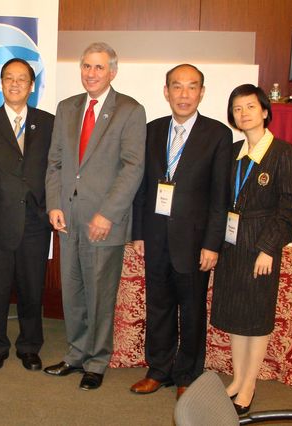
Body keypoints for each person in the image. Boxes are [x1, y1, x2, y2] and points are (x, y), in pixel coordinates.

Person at [44, 42, 146, 390]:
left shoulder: (130, 110)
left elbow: (132, 169)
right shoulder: (67, 107)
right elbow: (55, 162)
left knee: (100, 295)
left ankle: (97, 362)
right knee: (71, 292)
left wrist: (107, 213)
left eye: (99, 67)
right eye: (86, 66)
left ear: (112, 72)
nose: (91, 73)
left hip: (104, 221)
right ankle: (75, 354)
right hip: (68, 219)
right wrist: (54, 204)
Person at [129, 64, 232, 399]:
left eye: (191, 87)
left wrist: (212, 243)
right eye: (177, 87)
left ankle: (187, 374)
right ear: (166, 91)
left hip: (194, 241)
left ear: (201, 92)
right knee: (158, 306)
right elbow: (143, 186)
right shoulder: (153, 129)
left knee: (191, 310)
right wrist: (139, 233)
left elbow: (220, 196)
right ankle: (159, 370)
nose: (184, 94)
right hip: (157, 237)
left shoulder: (217, 134)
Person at [211, 84, 292, 415]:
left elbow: (288, 206)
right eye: (237, 108)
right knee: (236, 312)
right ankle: (236, 377)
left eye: (250, 106)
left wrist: (268, 248)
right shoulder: (233, 151)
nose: (244, 113)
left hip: (262, 244)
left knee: (257, 314)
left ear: (265, 111)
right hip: (233, 242)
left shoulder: (283, 152)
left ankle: (249, 383)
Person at [0, 58, 54, 371]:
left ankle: (30, 346)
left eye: (22, 79)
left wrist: (51, 209)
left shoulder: (47, 123)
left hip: (35, 220)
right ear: (0, 83)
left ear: (32, 86)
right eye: (9, 78)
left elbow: (54, 170)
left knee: (33, 288)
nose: (15, 84)